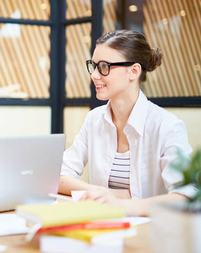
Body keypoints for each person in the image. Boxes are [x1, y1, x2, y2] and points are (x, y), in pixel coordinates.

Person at [59, 30, 195, 216]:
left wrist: (123, 206)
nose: (94, 75)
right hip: (103, 227)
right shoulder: (94, 120)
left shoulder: (166, 126)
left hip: (150, 236)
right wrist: (104, 193)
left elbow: (187, 196)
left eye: (104, 66)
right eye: (94, 65)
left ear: (134, 71)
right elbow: (59, 175)